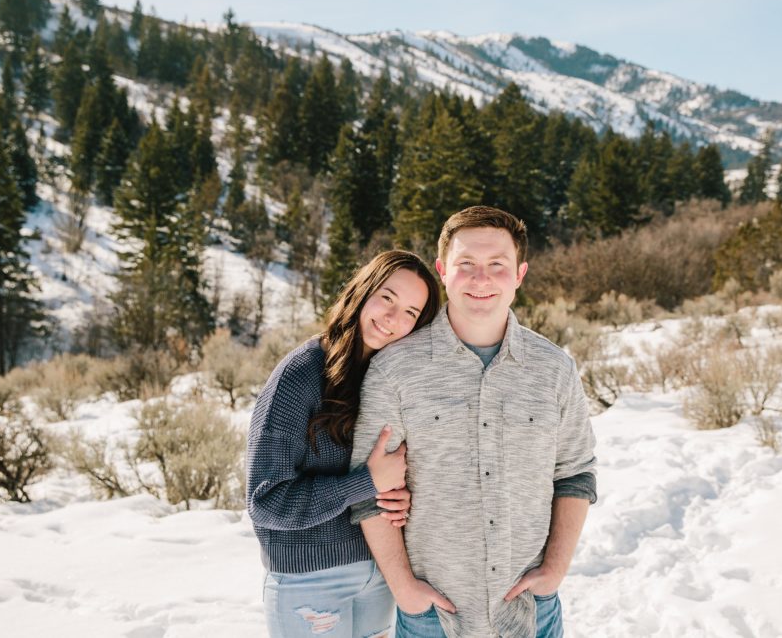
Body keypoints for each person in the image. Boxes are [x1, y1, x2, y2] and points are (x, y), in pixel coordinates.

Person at [349, 206, 598, 638]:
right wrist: (404, 589)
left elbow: (575, 473)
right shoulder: (396, 370)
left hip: (531, 615)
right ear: (444, 271)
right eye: (467, 265)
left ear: (519, 274)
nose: (481, 279)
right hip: (433, 619)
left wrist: (555, 570)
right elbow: (368, 490)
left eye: (497, 265)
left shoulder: (554, 369)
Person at [246, 250, 441, 638]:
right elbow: (265, 501)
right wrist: (366, 482)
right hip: (310, 581)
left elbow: (391, 475)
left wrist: (397, 497)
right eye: (387, 298)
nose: (393, 318)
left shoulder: (387, 381)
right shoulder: (301, 373)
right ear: (362, 290)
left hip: (378, 576)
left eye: (410, 312)